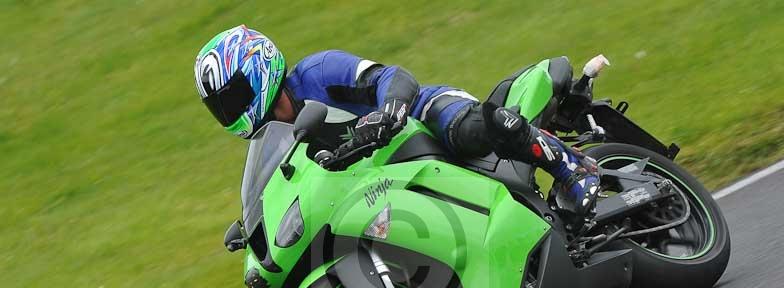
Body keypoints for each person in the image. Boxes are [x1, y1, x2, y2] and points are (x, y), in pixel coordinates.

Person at [194, 25, 600, 215]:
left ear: (257, 70)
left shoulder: (317, 73)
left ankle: (570, 165)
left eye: (232, 99)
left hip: (425, 115)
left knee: (471, 131)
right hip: (388, 180)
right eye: (220, 107)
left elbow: (394, 77)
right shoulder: (278, 141)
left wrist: (390, 109)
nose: (229, 113)